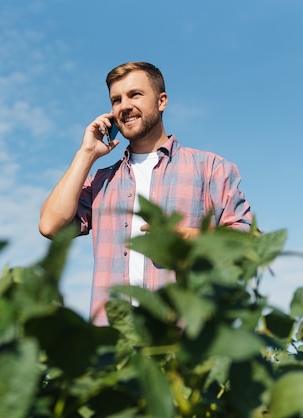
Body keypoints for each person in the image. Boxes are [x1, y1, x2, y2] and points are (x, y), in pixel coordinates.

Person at [39, 62, 253, 326]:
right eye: (116, 100)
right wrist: (87, 154)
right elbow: (50, 225)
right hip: (116, 345)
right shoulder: (101, 182)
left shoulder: (211, 168)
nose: (124, 106)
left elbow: (247, 243)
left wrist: (188, 238)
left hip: (185, 343)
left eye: (135, 95)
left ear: (162, 101)